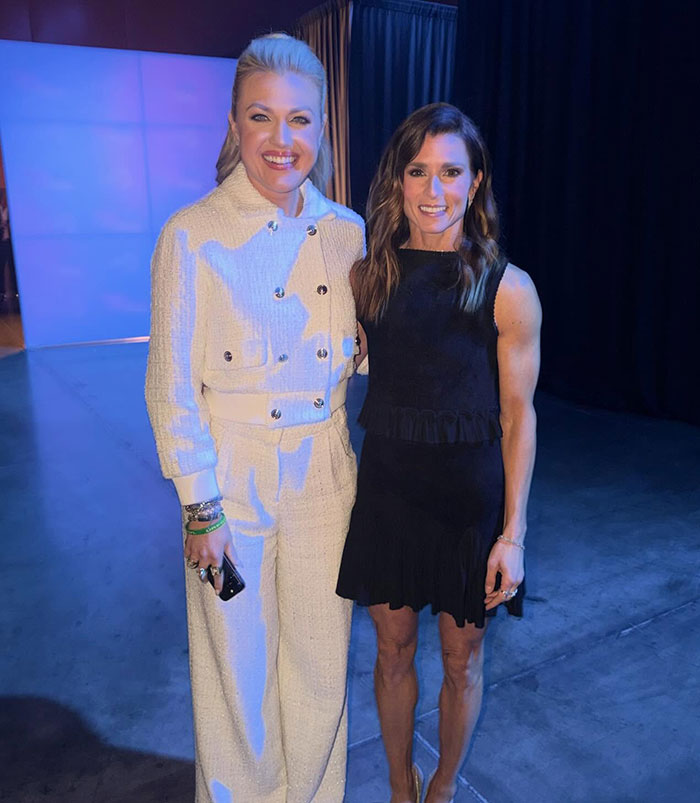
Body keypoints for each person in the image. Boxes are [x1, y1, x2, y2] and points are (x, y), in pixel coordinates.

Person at [145, 34, 364, 803]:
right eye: (261, 118)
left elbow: (374, 354)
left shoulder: (347, 232)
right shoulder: (191, 235)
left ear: (322, 128)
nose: (282, 140)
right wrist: (199, 507)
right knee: (235, 675)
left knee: (317, 667)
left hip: (327, 478)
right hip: (229, 491)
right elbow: (171, 387)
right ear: (235, 124)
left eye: (300, 120)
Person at [336, 103, 541, 803]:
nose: (432, 189)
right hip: (389, 493)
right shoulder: (369, 277)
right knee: (391, 651)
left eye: (450, 171)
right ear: (397, 180)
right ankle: (400, 782)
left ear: (475, 181)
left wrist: (512, 534)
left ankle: (444, 786)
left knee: (463, 657)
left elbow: (519, 417)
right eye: (417, 170)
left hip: (467, 504)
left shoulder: (509, 288)